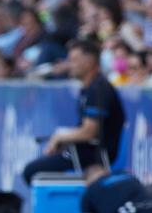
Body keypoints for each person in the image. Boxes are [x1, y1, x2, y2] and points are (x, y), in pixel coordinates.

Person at [22, 39, 125, 185]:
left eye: (74, 60)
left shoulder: (99, 89)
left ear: (90, 61)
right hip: (81, 150)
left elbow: (89, 132)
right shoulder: (89, 88)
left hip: (94, 155)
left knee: (32, 171)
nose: (70, 64)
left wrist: (61, 137)